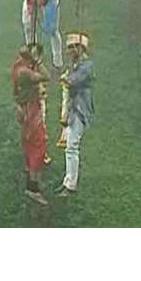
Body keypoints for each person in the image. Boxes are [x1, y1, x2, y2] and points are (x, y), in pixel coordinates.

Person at [56, 33, 95, 197]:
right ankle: (67, 180)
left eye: (73, 47)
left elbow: (73, 81)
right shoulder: (75, 65)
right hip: (73, 109)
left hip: (80, 108)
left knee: (72, 146)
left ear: (81, 48)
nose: (70, 50)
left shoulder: (86, 65)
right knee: (69, 147)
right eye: (69, 47)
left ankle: (71, 185)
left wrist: (66, 78)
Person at [11, 44, 50, 205]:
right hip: (31, 109)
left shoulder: (16, 68)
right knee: (38, 145)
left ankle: (30, 175)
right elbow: (45, 76)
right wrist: (39, 62)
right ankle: (33, 188)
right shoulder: (25, 72)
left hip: (25, 109)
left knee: (28, 144)